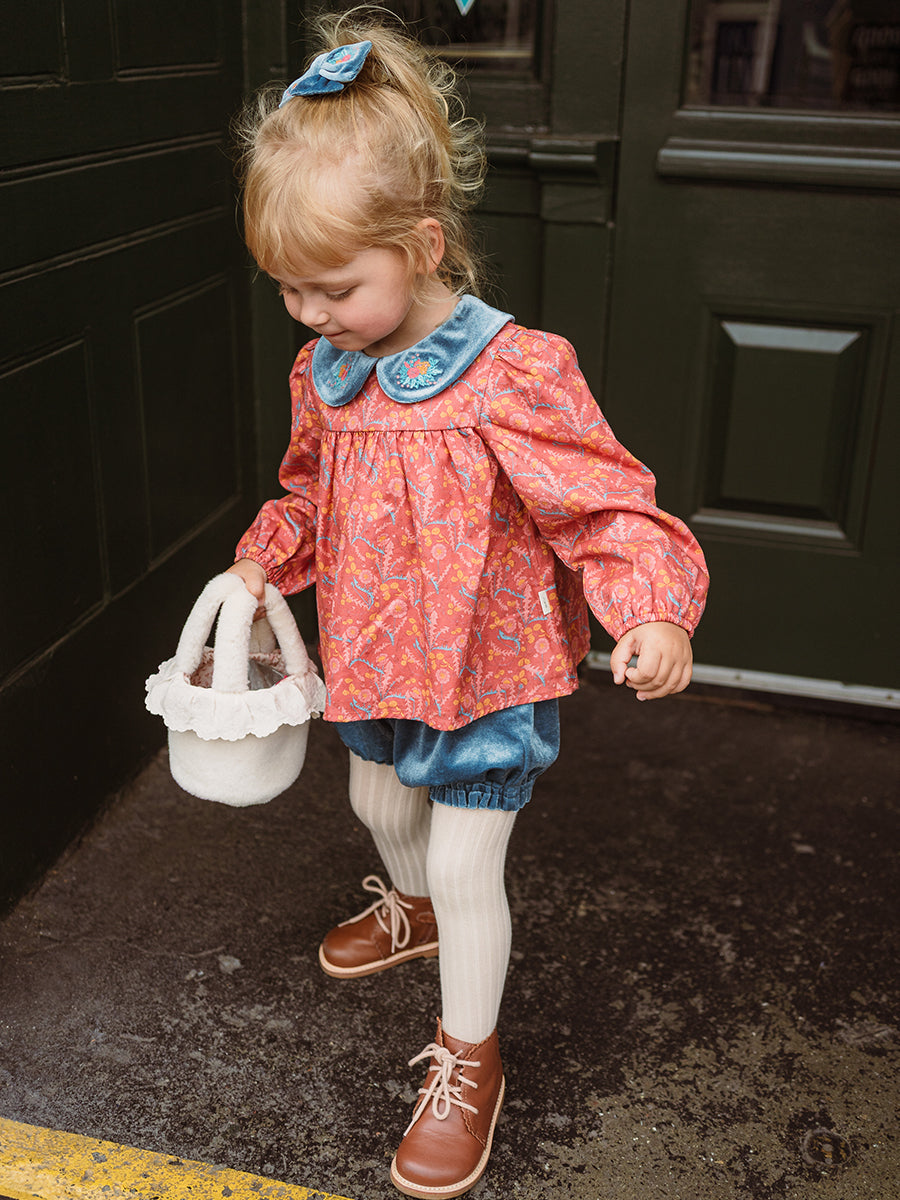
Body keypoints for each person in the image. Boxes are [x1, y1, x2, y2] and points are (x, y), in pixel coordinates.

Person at [226, 11, 709, 1198]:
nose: (309, 312)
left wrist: (650, 608)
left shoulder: (512, 371)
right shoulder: (325, 371)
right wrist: (263, 560)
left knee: (464, 856)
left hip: (487, 673)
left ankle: (467, 1056)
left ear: (424, 244)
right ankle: (413, 910)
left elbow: (603, 504)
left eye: (334, 287)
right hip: (376, 659)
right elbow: (310, 494)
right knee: (374, 799)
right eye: (288, 290)